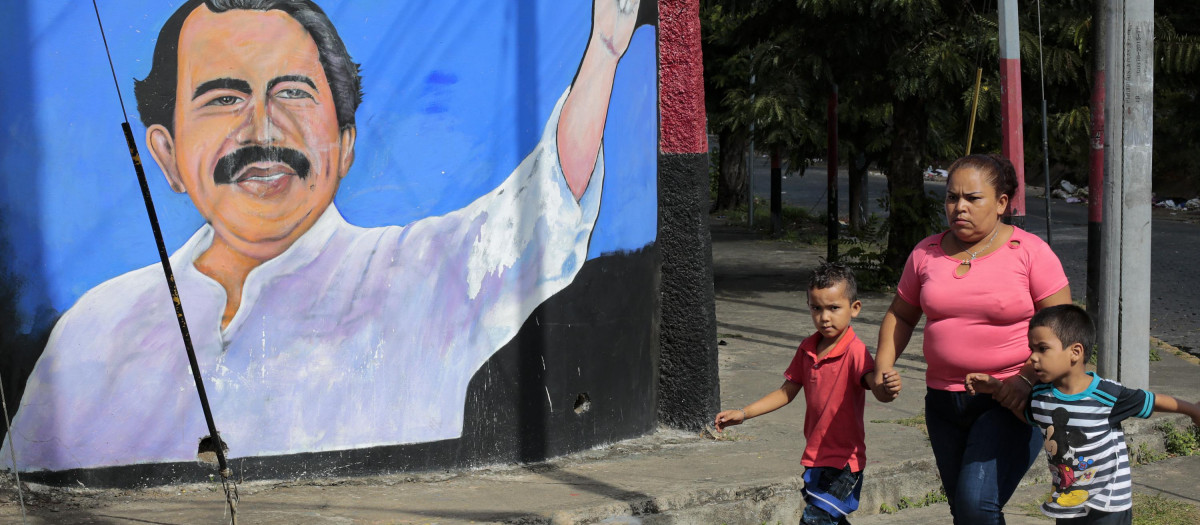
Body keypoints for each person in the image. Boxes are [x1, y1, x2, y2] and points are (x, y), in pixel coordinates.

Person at [2, 0, 643, 472]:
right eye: (223, 98)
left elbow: (539, 210)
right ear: (166, 154)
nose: (262, 129)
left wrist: (603, 55)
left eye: (292, 92)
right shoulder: (94, 330)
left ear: (344, 144)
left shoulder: (418, 280)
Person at [870, 153, 1073, 524]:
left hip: (1009, 402)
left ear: (1001, 204)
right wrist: (881, 369)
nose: (958, 207)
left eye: (972, 198)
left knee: (976, 505)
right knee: (965, 511)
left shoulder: (1030, 253)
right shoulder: (925, 252)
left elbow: (1066, 328)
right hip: (943, 405)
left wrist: (1025, 379)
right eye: (951, 197)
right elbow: (901, 314)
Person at [966, 304, 1200, 524]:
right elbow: (1030, 416)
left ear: (1075, 352)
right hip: (1068, 501)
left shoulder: (1106, 395)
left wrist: (1192, 410)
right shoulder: (1040, 395)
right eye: (1032, 349)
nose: (1032, 358)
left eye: (1042, 349)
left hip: (1108, 503)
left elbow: (1153, 400)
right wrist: (998, 389)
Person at [714, 262, 891, 525]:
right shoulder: (807, 348)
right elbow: (786, 392)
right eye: (816, 308)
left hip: (844, 462)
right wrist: (743, 413)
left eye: (833, 308)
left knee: (815, 519)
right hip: (816, 455)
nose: (825, 317)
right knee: (828, 519)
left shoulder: (855, 351)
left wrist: (885, 385)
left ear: (854, 308)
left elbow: (873, 383)